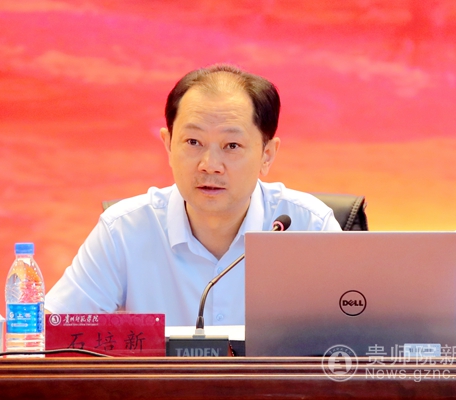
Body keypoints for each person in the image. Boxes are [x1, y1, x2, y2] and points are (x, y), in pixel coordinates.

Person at [45, 64, 341, 326]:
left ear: (267, 155)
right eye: (193, 142)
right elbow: (51, 334)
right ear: (168, 145)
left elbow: (354, 344)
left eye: (232, 146)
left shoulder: (310, 228)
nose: (209, 165)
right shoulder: (123, 232)